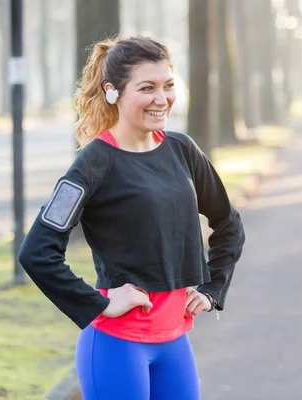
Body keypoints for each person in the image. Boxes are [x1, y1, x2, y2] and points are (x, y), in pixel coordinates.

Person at [18, 36, 245, 399]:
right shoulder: (92, 164)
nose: (162, 98)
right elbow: (37, 252)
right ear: (113, 92)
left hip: (175, 341)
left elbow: (228, 223)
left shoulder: (182, 150)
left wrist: (213, 287)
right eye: (147, 88)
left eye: (168, 85)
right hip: (116, 344)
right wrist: (100, 303)